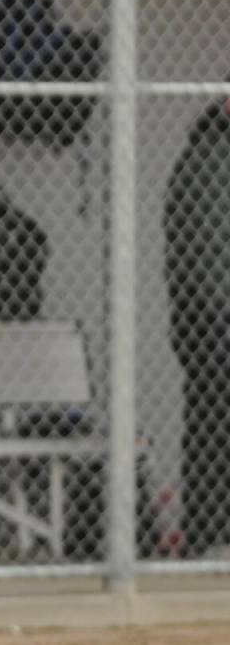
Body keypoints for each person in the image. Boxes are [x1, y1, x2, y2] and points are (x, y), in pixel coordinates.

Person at [164, 92, 230, 558]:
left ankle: (210, 535)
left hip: (207, 317)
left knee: (209, 424)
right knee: (211, 426)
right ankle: (209, 538)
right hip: (213, 320)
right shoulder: (210, 159)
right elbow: (208, 258)